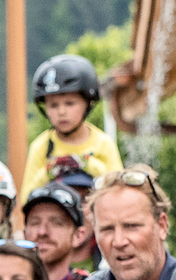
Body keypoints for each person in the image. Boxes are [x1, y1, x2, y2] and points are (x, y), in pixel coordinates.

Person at [22, 54, 124, 204]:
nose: (61, 112)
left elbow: (119, 190)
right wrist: (50, 170)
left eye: (70, 103)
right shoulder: (41, 146)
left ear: (88, 104)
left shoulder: (103, 143)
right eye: (53, 105)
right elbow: (26, 198)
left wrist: (86, 164)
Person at [22, 183, 90, 280]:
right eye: (35, 223)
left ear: (78, 236)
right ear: (23, 233)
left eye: (57, 223)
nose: (42, 232)